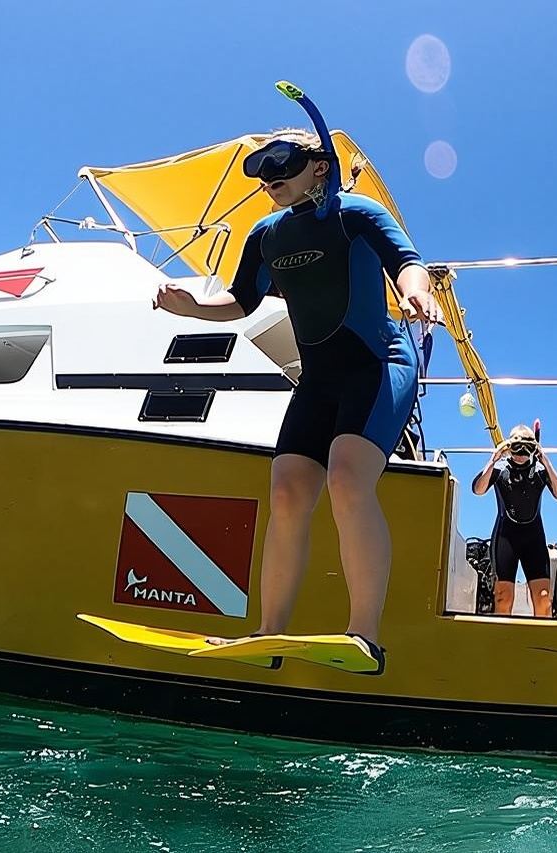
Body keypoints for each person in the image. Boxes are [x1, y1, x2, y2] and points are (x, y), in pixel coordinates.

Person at [153, 127, 437, 667]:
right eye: (258, 164)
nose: (267, 174)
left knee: (346, 477)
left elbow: (407, 262)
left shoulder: (358, 213)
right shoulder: (265, 234)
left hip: (376, 364)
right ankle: (267, 636)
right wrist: (192, 307)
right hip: (318, 378)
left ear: (320, 166)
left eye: (280, 159)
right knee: (286, 493)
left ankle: (364, 635)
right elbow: (240, 302)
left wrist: (416, 287)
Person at [470, 424, 557, 617]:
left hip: (534, 537)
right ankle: (502, 643)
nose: (522, 452)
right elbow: (478, 489)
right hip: (506, 537)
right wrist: (494, 458)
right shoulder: (499, 472)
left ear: (534, 448)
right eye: (517, 445)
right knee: (503, 597)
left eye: (527, 446)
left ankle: (542, 644)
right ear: (509, 447)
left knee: (543, 599)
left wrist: (545, 461)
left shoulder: (540, 474)